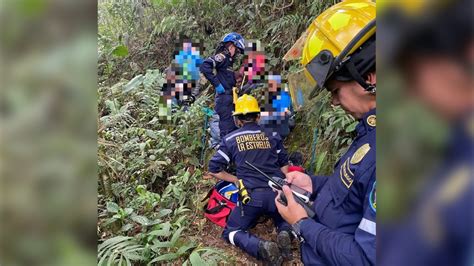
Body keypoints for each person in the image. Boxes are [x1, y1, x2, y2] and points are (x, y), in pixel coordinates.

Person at [274, 1, 376, 265]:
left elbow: (367, 260)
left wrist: (302, 224)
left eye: (335, 90)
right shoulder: (371, 132)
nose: (334, 101)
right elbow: (354, 192)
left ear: (370, 76)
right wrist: (313, 184)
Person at [207, 94, 292, 265]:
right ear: (258, 116)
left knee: (231, 231)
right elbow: (284, 166)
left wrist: (236, 180)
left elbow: (213, 169)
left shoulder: (230, 139)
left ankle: (260, 246)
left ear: (238, 119)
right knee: (284, 217)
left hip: (251, 199)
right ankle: (285, 232)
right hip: (276, 194)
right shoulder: (273, 135)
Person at [200, 32, 245, 138]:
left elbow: (226, 76)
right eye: (236, 50)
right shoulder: (223, 57)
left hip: (229, 98)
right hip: (223, 98)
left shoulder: (228, 62)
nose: (237, 53)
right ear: (231, 45)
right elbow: (205, 66)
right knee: (227, 130)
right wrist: (217, 84)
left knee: (232, 127)